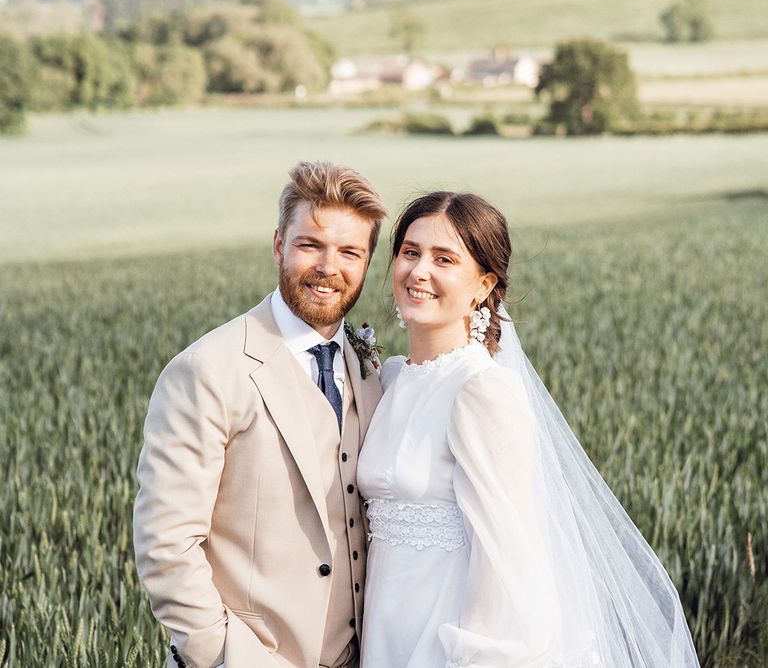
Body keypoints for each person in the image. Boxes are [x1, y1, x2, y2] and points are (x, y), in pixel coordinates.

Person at [357, 191, 700, 668]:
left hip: (441, 639)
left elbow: (505, 561)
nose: (419, 271)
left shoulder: (481, 391)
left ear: (482, 285)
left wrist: (475, 657)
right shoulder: (391, 377)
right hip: (384, 631)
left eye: (444, 259)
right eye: (410, 252)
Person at [133, 161, 387, 668]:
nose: (327, 267)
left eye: (349, 252)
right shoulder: (206, 370)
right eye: (310, 244)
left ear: (366, 263)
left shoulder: (369, 372)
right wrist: (220, 654)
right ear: (278, 246)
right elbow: (166, 543)